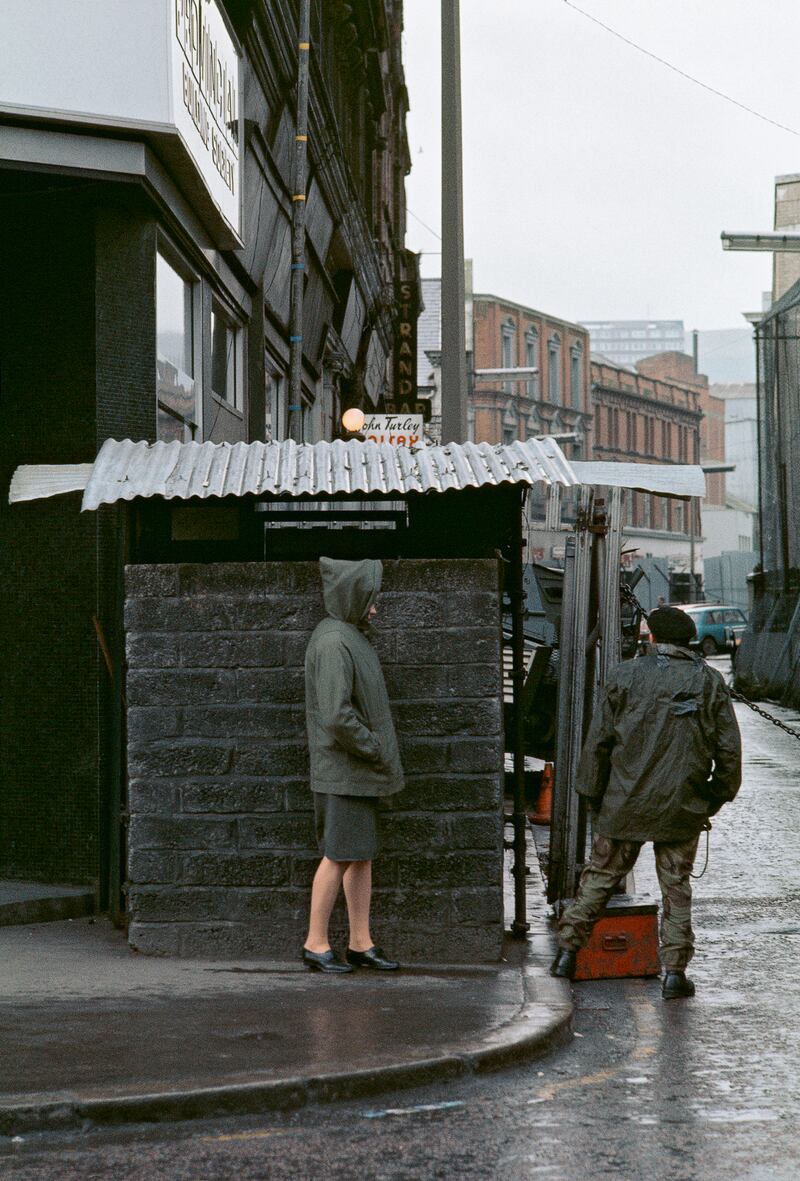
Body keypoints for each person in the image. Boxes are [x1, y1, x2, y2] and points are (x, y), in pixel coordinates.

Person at [550, 606, 742, 999]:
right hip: (682, 805)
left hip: (625, 803)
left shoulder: (624, 676)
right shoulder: (708, 681)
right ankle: (674, 973)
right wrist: (714, 797)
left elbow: (599, 743)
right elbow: (728, 752)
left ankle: (567, 954)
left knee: (600, 878)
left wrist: (592, 795)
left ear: (651, 637)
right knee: (676, 888)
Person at [302, 557, 404, 974]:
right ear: (351, 595)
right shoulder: (333, 642)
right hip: (345, 771)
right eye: (370, 599)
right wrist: (373, 748)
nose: (375, 608)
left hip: (355, 771)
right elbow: (336, 716)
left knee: (359, 855)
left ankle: (361, 942)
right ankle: (315, 942)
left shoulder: (347, 636)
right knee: (338, 855)